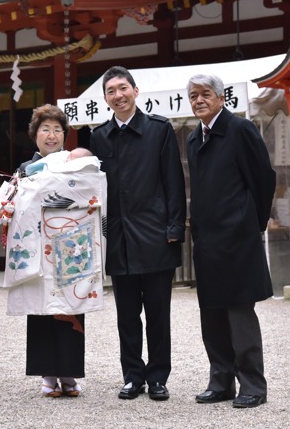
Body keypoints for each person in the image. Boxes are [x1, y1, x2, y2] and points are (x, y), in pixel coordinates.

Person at [88, 66, 186, 401]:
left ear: (135, 90)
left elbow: (173, 180)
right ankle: (132, 376)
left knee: (159, 314)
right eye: (111, 91)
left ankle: (158, 376)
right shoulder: (99, 136)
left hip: (155, 234)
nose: (118, 95)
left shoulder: (159, 130)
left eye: (123, 88)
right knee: (127, 316)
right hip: (118, 238)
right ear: (105, 99)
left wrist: (175, 226)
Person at [185, 73, 276, 409]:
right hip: (207, 240)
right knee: (211, 314)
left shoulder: (240, 129)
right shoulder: (195, 139)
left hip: (238, 237)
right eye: (193, 96)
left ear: (221, 98)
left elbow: (263, 178)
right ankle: (220, 380)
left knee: (239, 312)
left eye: (205, 94)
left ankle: (252, 385)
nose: (198, 101)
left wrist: (254, 222)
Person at [13, 105, 88, 398]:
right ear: (35, 135)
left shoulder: (76, 165)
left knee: (72, 304)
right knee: (41, 308)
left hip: (70, 245)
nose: (52, 135)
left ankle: (69, 372)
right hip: (37, 247)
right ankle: (47, 373)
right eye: (45, 129)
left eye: (58, 129)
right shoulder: (25, 170)